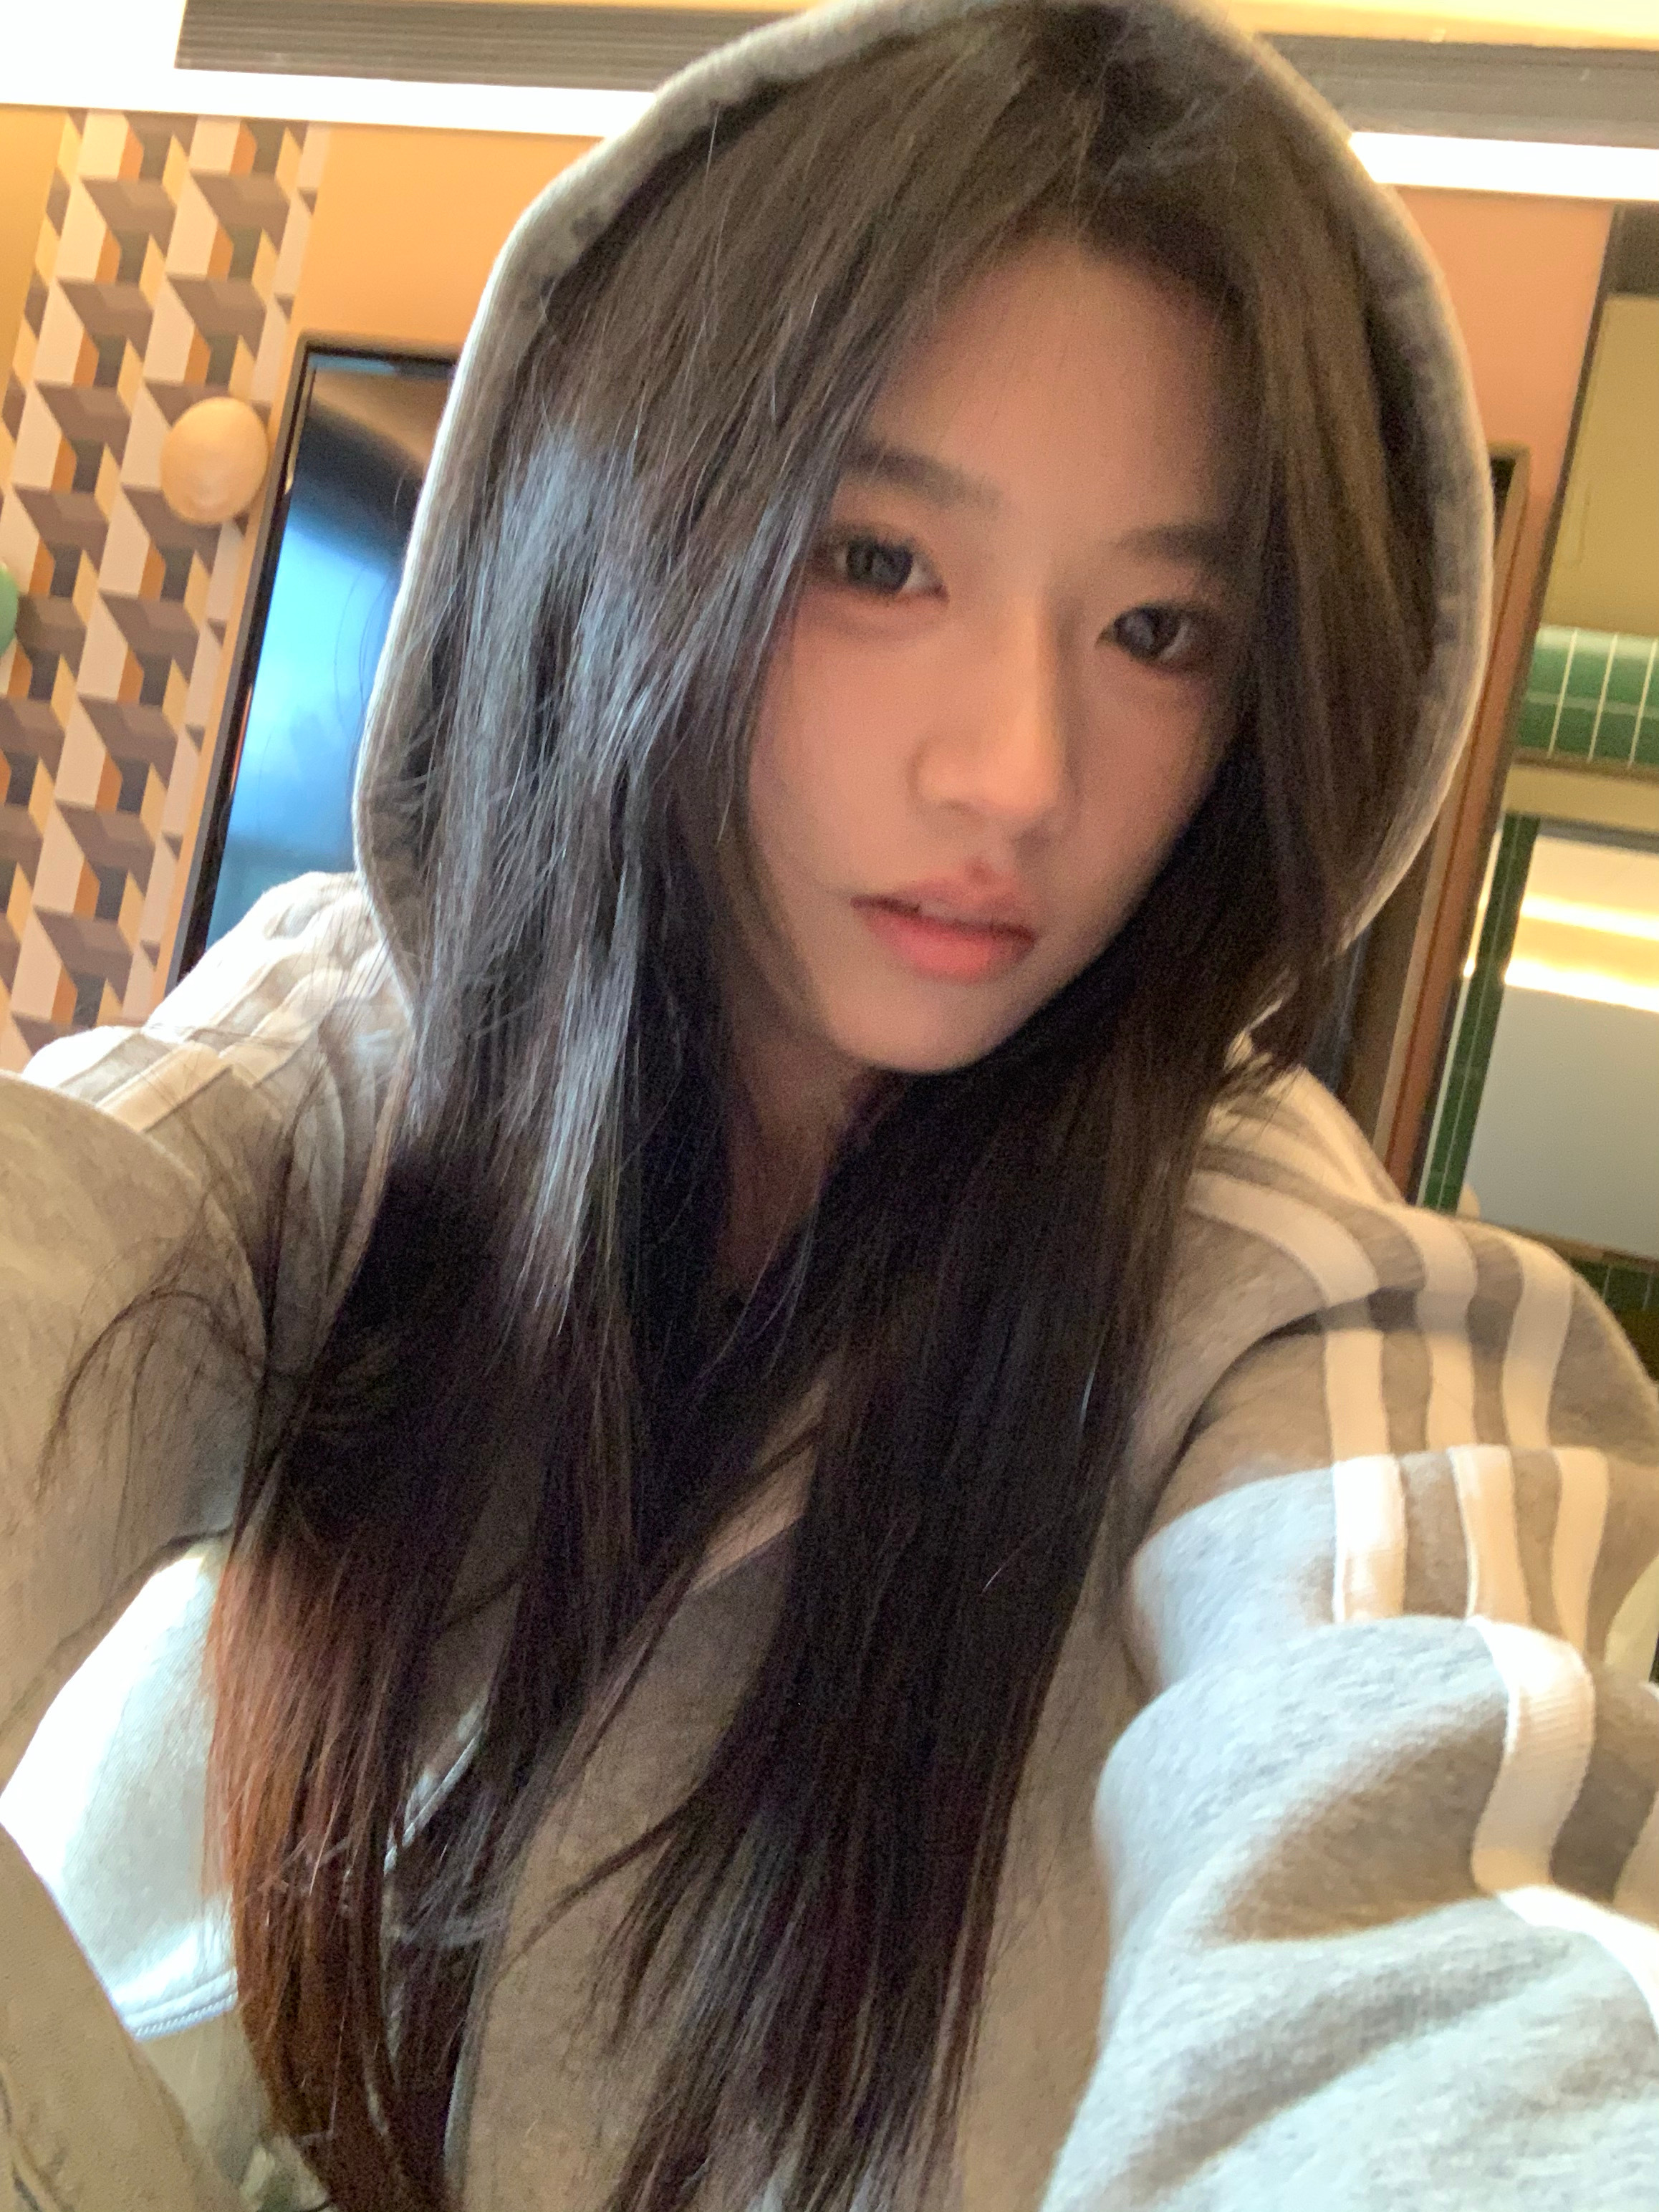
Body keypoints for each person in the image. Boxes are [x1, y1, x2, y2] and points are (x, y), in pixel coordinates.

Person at [3, 0, 1658, 2205]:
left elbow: (1458, 1836)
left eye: (1159, 632)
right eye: (877, 561)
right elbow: (70, 1227)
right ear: (626, 528)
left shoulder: (1280, 1306)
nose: (1016, 774)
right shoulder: (365, 1054)